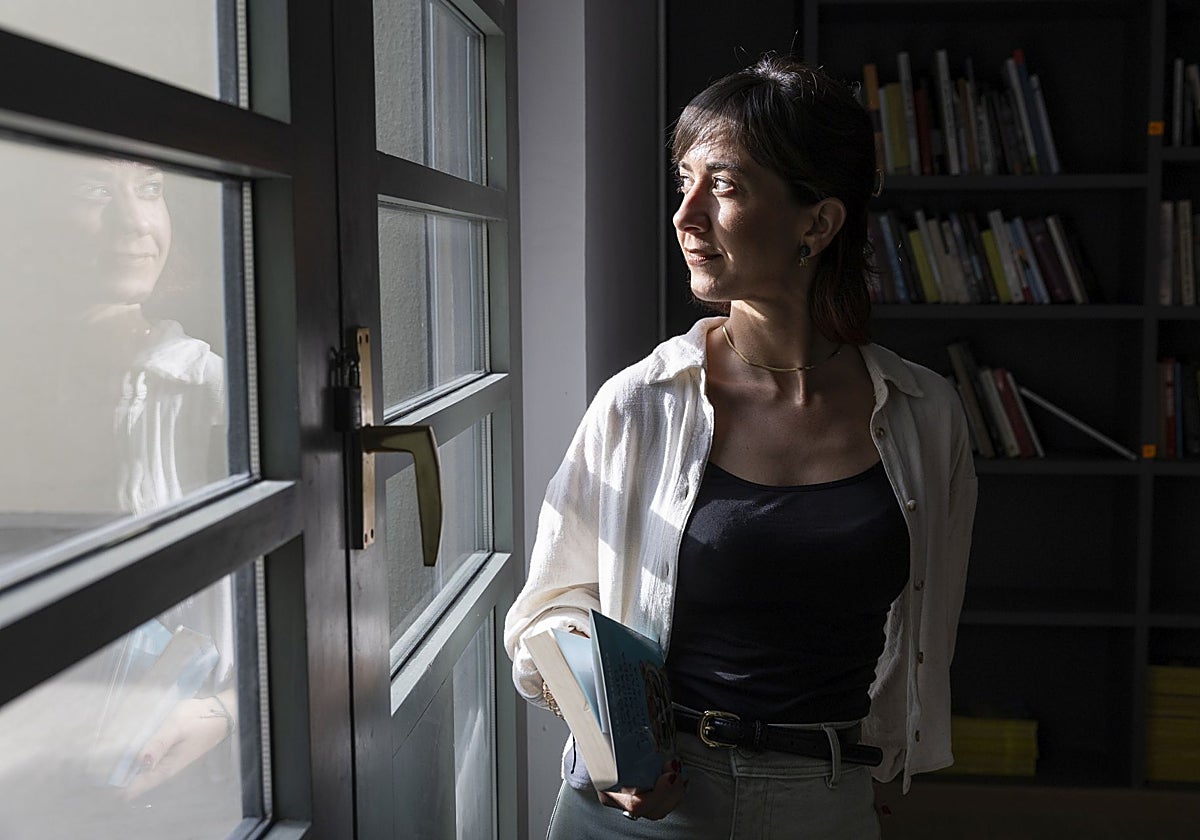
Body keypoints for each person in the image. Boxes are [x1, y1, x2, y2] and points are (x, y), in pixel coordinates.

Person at [504, 55, 977, 839]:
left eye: (722, 186)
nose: (685, 215)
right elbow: (547, 613)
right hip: (645, 803)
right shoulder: (642, 403)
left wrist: (880, 758)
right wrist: (617, 751)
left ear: (817, 223)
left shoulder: (927, 415)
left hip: (827, 798)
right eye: (682, 181)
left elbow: (928, 620)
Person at [0, 144, 239, 837]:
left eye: (153, 189)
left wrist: (222, 708)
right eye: (96, 192)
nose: (137, 223)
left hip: (177, 769)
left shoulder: (204, 387)